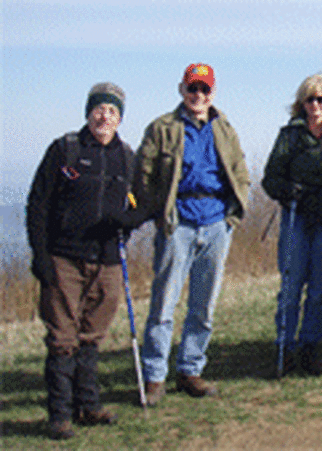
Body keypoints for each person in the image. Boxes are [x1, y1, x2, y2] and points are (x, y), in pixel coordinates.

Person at [136, 63, 251, 405]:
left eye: (204, 89)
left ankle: (190, 369)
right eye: (192, 88)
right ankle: (155, 376)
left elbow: (241, 172)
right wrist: (160, 213)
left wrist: (234, 214)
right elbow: (143, 175)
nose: (198, 95)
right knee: (163, 305)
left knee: (204, 306)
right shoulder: (162, 128)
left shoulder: (225, 128)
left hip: (216, 223)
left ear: (212, 92)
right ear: (182, 90)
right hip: (178, 225)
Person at [26, 82, 132, 439]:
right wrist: (40, 256)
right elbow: (37, 205)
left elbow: (137, 203)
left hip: (108, 262)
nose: (105, 116)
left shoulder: (126, 156)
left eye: (113, 111)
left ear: (120, 118)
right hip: (64, 258)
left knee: (92, 336)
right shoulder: (65, 150)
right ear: (88, 112)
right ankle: (59, 413)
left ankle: (88, 405)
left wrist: (129, 223)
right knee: (61, 338)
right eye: (100, 109)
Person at [261, 73, 322, 376]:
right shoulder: (289, 135)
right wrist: (287, 190)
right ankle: (285, 346)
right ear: (302, 102)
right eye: (311, 99)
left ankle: (310, 347)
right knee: (291, 286)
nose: (317, 105)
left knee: (320, 287)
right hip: (296, 215)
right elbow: (270, 178)